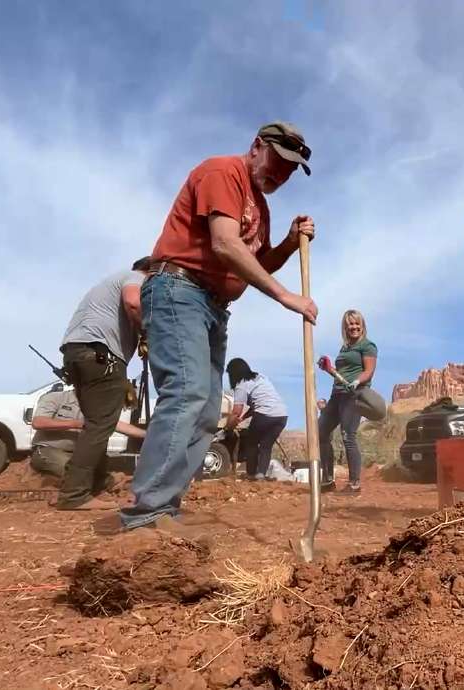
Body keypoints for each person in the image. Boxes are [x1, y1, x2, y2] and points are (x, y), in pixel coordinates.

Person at [108, 121, 317, 534]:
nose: (283, 172)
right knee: (186, 394)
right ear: (257, 146)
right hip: (179, 290)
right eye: (279, 160)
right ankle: (146, 513)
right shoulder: (223, 172)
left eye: (292, 169)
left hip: (213, 306)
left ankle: (164, 506)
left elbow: (256, 262)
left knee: (206, 412)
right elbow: (224, 244)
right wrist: (285, 296)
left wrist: (291, 243)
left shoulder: (261, 207)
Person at [53, 257, 151, 511]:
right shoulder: (138, 278)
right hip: (103, 356)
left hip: (77, 354)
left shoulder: (108, 284)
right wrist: (146, 332)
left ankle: (92, 483)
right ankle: (74, 495)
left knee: (95, 425)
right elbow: (133, 302)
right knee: (100, 426)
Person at [30, 385, 146, 486]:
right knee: (75, 472)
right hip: (49, 450)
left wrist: (148, 435)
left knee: (88, 468)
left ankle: (103, 481)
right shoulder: (55, 398)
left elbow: (116, 425)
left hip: (78, 454)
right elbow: (38, 422)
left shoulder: (96, 406)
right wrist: (77, 424)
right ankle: (105, 482)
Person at [316, 310, 377, 494]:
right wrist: (328, 368)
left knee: (348, 435)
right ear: (345, 327)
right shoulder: (345, 348)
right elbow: (340, 373)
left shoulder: (367, 345)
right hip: (337, 394)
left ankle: (354, 483)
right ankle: (327, 479)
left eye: (357, 323)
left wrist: (358, 381)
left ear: (362, 325)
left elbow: (369, 371)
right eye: (350, 324)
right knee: (321, 432)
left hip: (354, 395)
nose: (354, 327)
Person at [225, 358, 288, 480]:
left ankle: (251, 474)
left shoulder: (241, 385)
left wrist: (229, 426)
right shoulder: (260, 377)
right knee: (266, 446)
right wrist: (243, 418)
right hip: (282, 416)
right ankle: (260, 475)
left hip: (265, 414)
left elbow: (236, 411)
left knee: (251, 442)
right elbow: (257, 405)